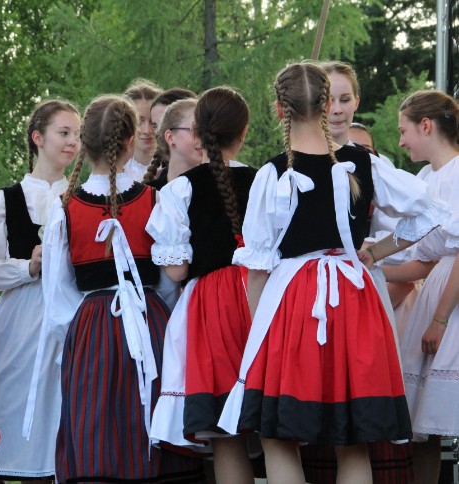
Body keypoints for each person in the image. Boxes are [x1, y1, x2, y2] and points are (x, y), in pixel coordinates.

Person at [218, 61, 449, 484]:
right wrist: (375, 252)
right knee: (352, 439)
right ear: (327, 105)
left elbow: (258, 266)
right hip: (354, 298)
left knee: (278, 436)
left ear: (279, 109)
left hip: (292, 303)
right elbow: (432, 213)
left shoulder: (273, 173)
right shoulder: (364, 163)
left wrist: (259, 336)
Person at [32, 94, 203, 482]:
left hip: (91, 327)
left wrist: (80, 333)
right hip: (150, 320)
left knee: (96, 424)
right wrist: (156, 316)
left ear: (85, 142)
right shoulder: (155, 199)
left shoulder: (64, 207)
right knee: (147, 422)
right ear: (129, 142)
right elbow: (168, 281)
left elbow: (57, 293)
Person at [0, 99, 81, 482]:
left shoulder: (82, 199)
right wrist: (27, 267)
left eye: (78, 134)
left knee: (61, 409)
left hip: (69, 321)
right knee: (2, 398)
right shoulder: (5, 201)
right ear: (38, 137)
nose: (73, 142)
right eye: (64, 132)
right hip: (18, 324)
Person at [147, 86, 257, 483]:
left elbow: (176, 271)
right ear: (243, 132)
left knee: (226, 433)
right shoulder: (266, 180)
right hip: (263, 297)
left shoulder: (181, 188)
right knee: (274, 425)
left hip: (214, 306)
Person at [383, 89, 459, 484]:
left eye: (403, 131)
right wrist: (372, 267)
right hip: (436, 289)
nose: (400, 141)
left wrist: (441, 319)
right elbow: (423, 257)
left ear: (425, 126)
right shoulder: (426, 178)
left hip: (452, 299)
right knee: (425, 423)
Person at [123, 78, 163, 183]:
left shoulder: (174, 169)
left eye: (153, 122)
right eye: (139, 121)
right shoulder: (113, 172)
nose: (147, 130)